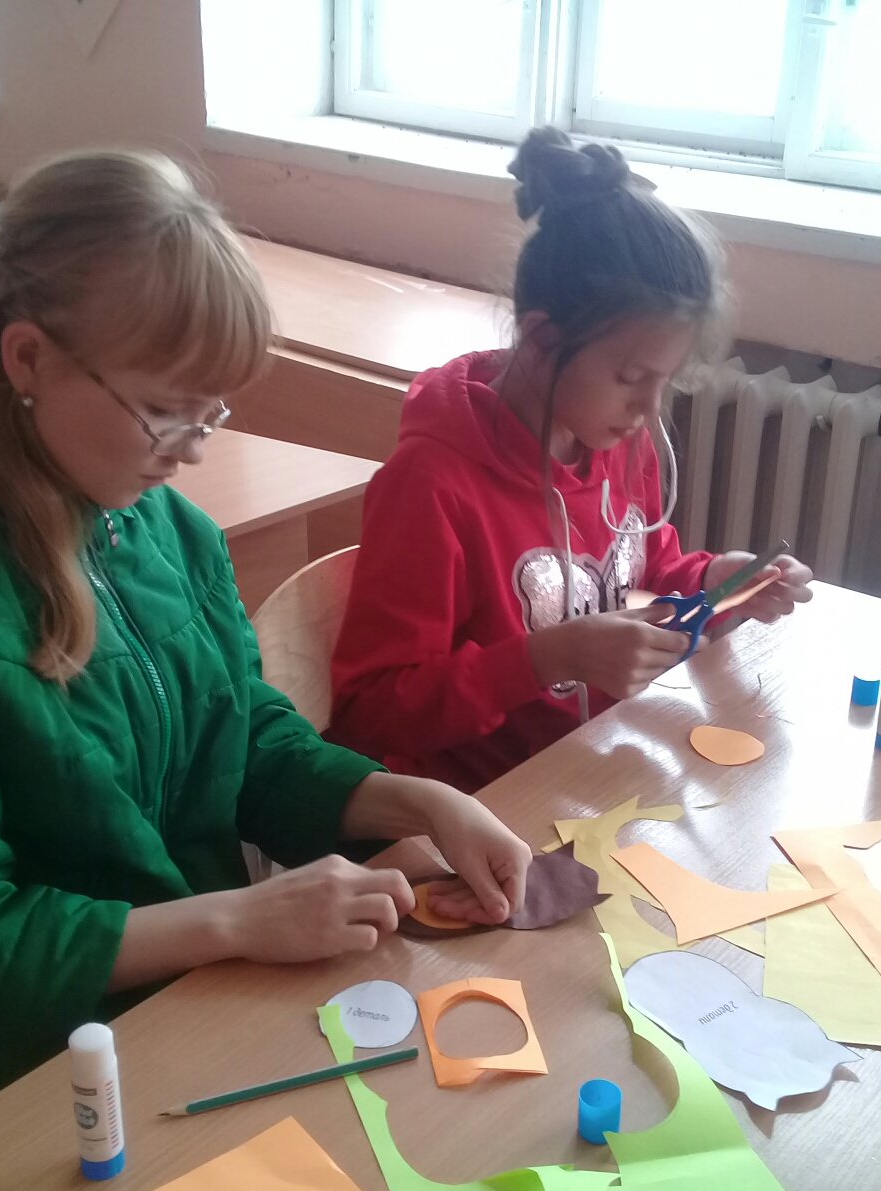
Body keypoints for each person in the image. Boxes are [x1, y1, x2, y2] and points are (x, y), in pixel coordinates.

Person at [0, 150, 531, 1135]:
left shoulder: (161, 528)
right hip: (46, 1087)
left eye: (212, 410)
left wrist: (415, 800)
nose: (194, 448)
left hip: (206, 1009)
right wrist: (235, 919)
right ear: (27, 360)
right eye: (165, 410)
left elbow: (244, 741)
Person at [328, 127, 813, 794]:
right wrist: (543, 659)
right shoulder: (432, 486)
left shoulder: (617, 442)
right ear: (541, 339)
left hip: (592, 774)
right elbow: (371, 713)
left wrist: (713, 583)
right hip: (484, 811)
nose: (649, 408)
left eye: (664, 382)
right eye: (631, 377)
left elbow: (634, 584)